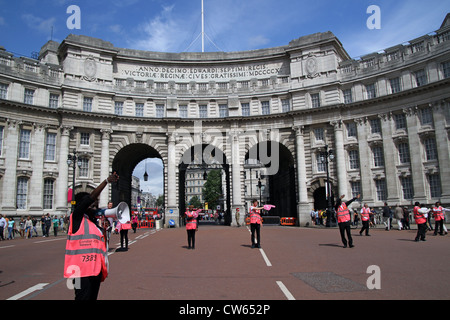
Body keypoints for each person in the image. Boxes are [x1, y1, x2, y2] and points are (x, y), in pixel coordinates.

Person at [63, 172, 119, 300]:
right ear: (83, 206)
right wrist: (106, 181)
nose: (95, 206)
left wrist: (104, 228)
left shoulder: (93, 223)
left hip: (94, 270)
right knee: (81, 298)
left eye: (96, 205)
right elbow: (91, 197)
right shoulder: (76, 218)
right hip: (78, 271)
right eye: (92, 205)